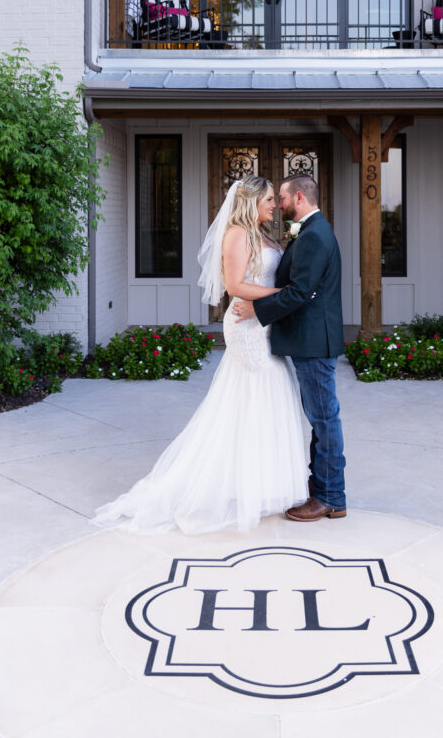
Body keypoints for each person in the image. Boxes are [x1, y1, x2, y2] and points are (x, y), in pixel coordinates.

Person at [91, 177, 308, 535]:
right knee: (252, 399)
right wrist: (284, 293)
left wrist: (277, 301)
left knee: (271, 396)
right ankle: (237, 487)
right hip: (246, 326)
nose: (274, 205)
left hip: (264, 322)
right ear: (251, 200)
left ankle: (264, 485)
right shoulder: (237, 234)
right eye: (269, 199)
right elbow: (236, 286)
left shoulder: (265, 234)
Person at [232, 174, 346, 522]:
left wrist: (256, 309)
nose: (278, 205)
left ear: (298, 197)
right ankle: (321, 487)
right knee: (320, 417)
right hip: (310, 339)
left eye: (281, 198)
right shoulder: (313, 230)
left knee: (324, 420)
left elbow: (301, 292)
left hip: (313, 342)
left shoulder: (313, 235)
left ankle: (330, 496)